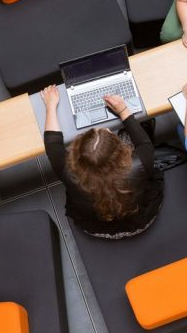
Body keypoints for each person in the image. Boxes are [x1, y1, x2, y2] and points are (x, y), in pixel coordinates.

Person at [40, 85, 163, 239]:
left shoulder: (66, 170)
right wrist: (123, 110)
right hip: (140, 223)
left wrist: (50, 106)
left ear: (77, 153)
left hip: (94, 228)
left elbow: (52, 144)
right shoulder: (140, 163)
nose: (106, 129)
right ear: (121, 150)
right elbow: (144, 144)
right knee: (140, 126)